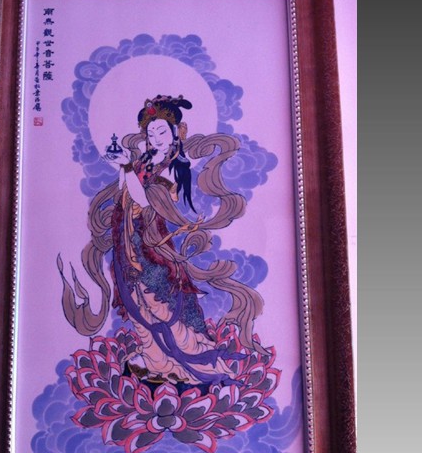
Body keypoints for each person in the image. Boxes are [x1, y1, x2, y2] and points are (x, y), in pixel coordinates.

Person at [59, 94, 267, 388]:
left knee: (157, 297)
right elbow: (127, 193)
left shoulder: (175, 166)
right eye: (151, 133)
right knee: (134, 298)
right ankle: (155, 358)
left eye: (161, 132)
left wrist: (128, 168)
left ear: (176, 133)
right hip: (127, 234)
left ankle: (190, 358)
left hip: (151, 239)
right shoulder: (144, 160)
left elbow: (147, 200)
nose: (155, 138)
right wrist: (124, 167)